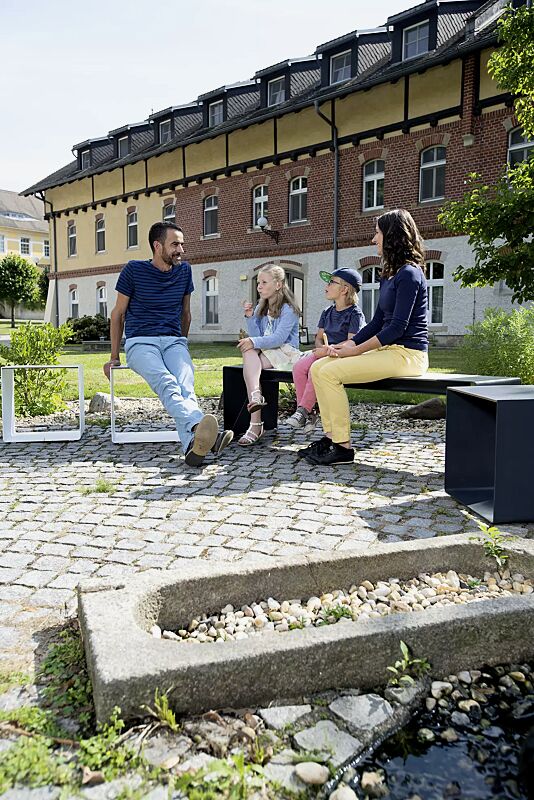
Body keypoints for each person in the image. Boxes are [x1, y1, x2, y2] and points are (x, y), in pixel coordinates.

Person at [300, 208, 429, 466]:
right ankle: (331, 438)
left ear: (393, 236)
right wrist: (348, 343)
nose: (374, 239)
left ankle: (342, 448)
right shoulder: (389, 275)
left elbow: (397, 328)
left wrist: (355, 351)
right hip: (389, 351)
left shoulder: (410, 274)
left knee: (329, 372)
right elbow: (378, 322)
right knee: (319, 366)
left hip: (409, 355)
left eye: (378, 233)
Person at [104, 221, 233, 467]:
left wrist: (180, 343)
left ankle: (192, 449)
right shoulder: (133, 270)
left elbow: (186, 313)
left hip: (174, 340)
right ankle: (201, 428)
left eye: (182, 244)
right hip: (141, 342)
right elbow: (117, 314)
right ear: (157, 245)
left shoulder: (184, 271)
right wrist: (114, 356)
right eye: (175, 244)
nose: (181, 250)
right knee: (167, 382)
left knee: (186, 383)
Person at [287, 267, 365, 435]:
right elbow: (319, 337)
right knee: (299, 368)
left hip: (341, 354)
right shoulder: (326, 312)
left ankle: (303, 411)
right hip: (325, 352)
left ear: (344, 289)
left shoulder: (355, 314)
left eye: (331, 282)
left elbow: (353, 341)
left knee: (316, 369)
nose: (326, 286)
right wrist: (321, 347)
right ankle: (309, 413)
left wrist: (331, 349)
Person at [237, 264, 301, 446]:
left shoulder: (289, 309)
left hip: (286, 351)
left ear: (278, 285)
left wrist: (254, 342)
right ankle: (255, 398)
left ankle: (256, 424)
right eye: (259, 282)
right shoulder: (261, 306)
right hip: (268, 351)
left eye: (264, 282)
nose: (259, 286)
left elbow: (279, 339)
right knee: (249, 350)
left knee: (250, 351)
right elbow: (257, 334)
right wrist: (250, 316)